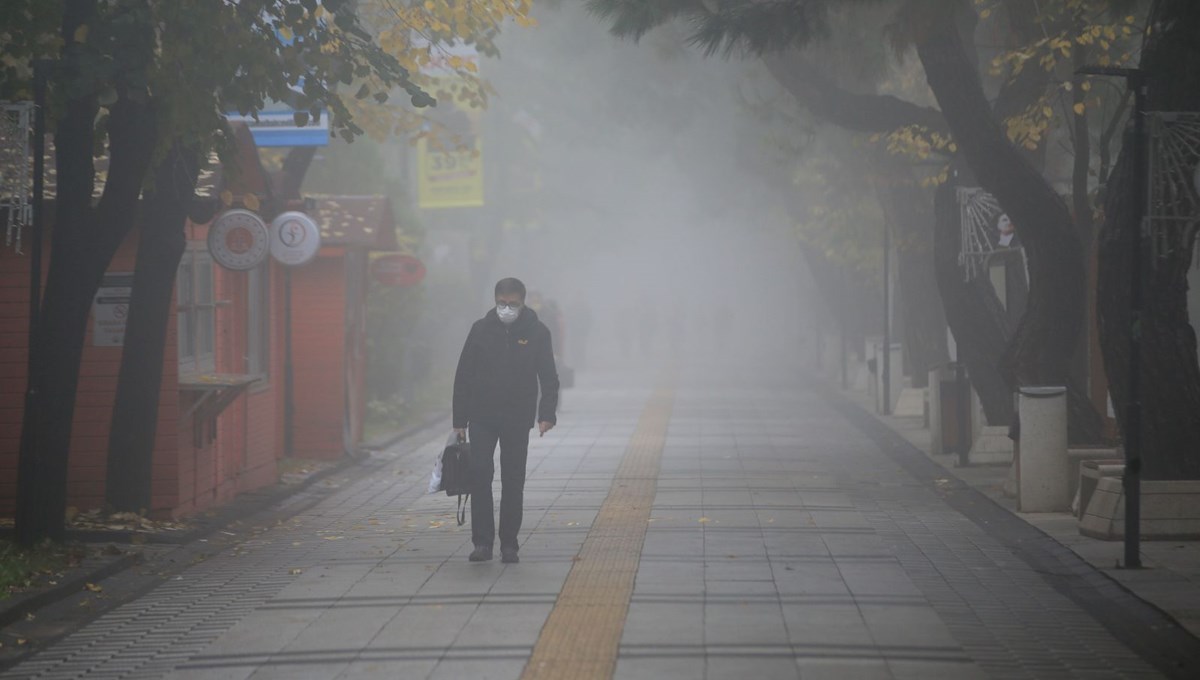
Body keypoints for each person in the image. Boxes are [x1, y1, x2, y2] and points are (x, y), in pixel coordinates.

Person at [452, 277, 559, 564]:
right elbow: (464, 375)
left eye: (513, 304)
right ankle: (482, 543)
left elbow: (548, 376)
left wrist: (547, 414)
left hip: (517, 416)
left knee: (513, 480)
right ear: (495, 300)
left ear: (523, 303)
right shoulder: (480, 330)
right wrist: (459, 419)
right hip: (481, 416)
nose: (507, 308)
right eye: (502, 303)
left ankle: (509, 544)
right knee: (480, 474)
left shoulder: (537, 332)